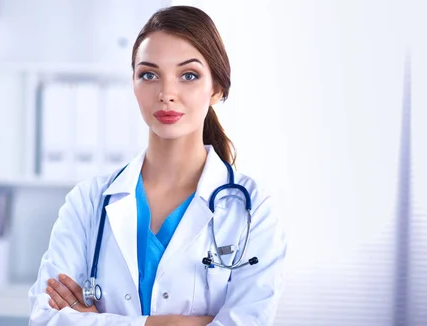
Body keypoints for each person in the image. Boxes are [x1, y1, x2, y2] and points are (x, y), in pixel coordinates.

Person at [28, 5, 287, 326]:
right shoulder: (88, 202)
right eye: (149, 75)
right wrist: (179, 323)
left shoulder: (252, 210)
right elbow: (46, 319)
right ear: (134, 83)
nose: (167, 93)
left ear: (216, 89)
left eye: (188, 75)